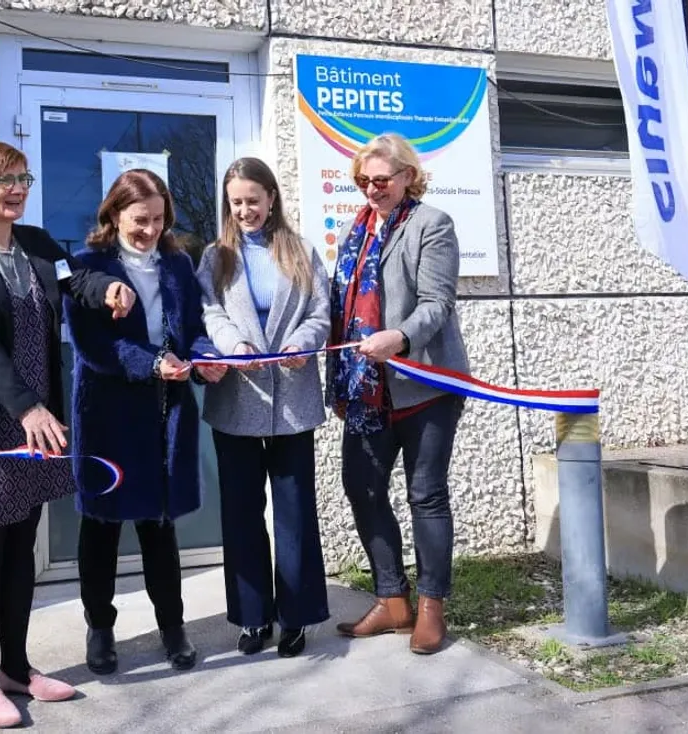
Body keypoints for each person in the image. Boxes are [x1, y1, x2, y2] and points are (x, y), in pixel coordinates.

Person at [0, 140, 136, 727]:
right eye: (4, 180)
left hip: (31, 425)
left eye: (23, 177)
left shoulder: (37, 244)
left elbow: (78, 281)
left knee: (22, 548)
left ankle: (17, 667)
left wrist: (108, 291)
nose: (17, 188)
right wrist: (27, 408)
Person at [64, 169, 227, 675]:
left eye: (158, 219)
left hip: (166, 413)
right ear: (113, 214)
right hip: (108, 416)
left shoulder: (178, 264)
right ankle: (100, 626)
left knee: (159, 528)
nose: (150, 230)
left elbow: (194, 331)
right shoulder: (84, 267)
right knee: (102, 529)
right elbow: (93, 346)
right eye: (139, 219)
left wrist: (206, 357)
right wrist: (151, 363)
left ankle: (172, 626)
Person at [327, 132, 469, 655]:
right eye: (363, 180)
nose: (371, 189)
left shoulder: (432, 224)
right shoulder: (355, 230)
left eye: (381, 180)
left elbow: (437, 303)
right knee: (362, 489)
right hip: (367, 391)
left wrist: (400, 338)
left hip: (424, 385)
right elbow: (342, 308)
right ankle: (393, 600)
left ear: (408, 175)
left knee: (425, 495)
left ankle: (432, 605)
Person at [195, 157, 331, 657]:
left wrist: (301, 342)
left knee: (295, 512)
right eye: (237, 202)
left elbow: (322, 312)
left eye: (254, 199)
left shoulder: (300, 251)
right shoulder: (215, 256)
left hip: (294, 402)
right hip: (238, 401)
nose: (246, 210)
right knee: (242, 514)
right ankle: (253, 618)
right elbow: (207, 310)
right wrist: (233, 346)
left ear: (271, 198)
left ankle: (295, 616)